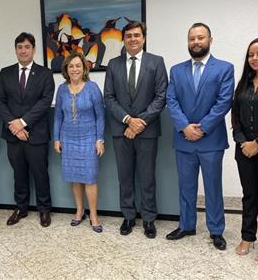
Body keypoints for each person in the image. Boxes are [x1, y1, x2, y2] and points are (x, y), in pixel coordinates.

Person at [166, 23, 234, 251]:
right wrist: (185, 127)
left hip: (211, 140)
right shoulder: (176, 70)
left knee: (213, 187)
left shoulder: (224, 68)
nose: (196, 42)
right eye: (192, 38)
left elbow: (223, 102)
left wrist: (201, 128)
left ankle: (216, 230)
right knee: (185, 187)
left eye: (200, 38)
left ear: (210, 40)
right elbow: (171, 101)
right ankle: (186, 225)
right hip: (184, 140)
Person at [104, 21, 168, 239]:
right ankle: (128, 216)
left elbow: (161, 97)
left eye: (137, 35)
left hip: (147, 131)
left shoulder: (156, 62)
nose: (133, 39)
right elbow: (109, 97)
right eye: (129, 35)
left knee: (147, 176)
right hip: (120, 130)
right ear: (124, 39)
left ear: (144, 38)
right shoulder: (113, 64)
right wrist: (127, 120)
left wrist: (139, 122)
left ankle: (149, 218)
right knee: (125, 176)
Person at [0, 32, 55, 227]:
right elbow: (0, 102)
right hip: (13, 135)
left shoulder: (45, 73)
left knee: (40, 173)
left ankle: (44, 209)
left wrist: (23, 122)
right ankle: (21, 208)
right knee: (18, 173)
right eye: (19, 47)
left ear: (34, 50)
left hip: (36, 134)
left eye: (27, 47)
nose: (23, 50)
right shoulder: (5, 73)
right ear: (15, 50)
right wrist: (14, 125)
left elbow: (45, 102)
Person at [53, 53, 105, 233]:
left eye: (78, 65)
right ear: (66, 69)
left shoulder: (92, 88)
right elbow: (58, 116)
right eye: (71, 66)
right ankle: (79, 210)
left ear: (84, 68)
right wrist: (56, 139)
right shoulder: (61, 89)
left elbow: (100, 116)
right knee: (75, 177)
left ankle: (93, 215)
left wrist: (100, 139)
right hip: (68, 139)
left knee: (90, 178)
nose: (75, 69)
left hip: (89, 138)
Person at [231, 38, 258, 257]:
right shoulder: (243, 85)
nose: (254, 58)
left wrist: (257, 144)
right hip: (244, 151)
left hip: (256, 146)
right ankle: (247, 237)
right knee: (249, 195)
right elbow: (236, 119)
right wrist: (244, 143)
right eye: (251, 54)